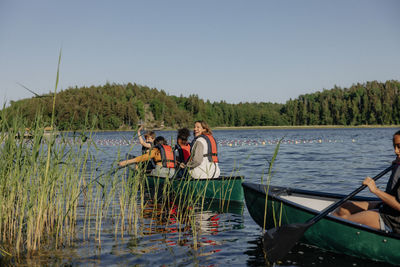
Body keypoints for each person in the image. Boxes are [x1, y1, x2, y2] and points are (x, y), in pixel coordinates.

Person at [333, 130, 400, 233]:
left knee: (340, 221)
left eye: (399, 146)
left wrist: (375, 190)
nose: (395, 151)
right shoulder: (397, 164)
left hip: (394, 220)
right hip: (388, 209)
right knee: (344, 208)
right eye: (394, 146)